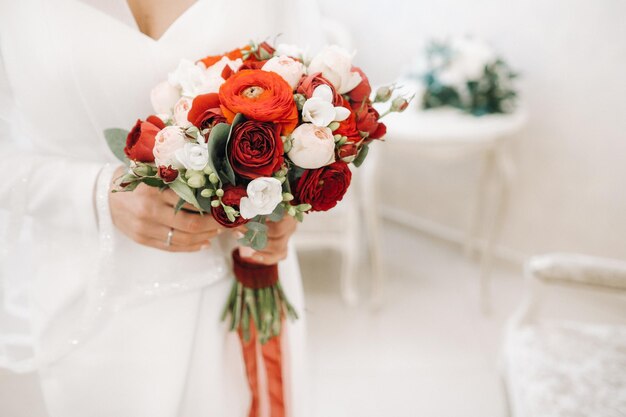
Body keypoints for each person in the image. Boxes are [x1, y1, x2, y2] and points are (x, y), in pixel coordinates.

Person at [0, 0, 323, 415]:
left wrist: (286, 198)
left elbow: (307, 88)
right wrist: (96, 193)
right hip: (92, 304)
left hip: (239, 281)